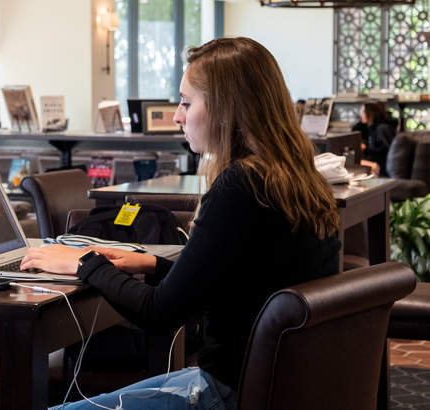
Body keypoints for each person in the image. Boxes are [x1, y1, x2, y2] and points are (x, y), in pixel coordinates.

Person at [20, 37, 341, 410]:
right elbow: (240, 282)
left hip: (229, 391)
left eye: (187, 102)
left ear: (226, 109)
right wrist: (155, 264)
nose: (176, 115)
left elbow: (158, 313)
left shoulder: (241, 186)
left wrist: (84, 262)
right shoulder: (297, 180)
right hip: (281, 384)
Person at [351, 101, 396, 176]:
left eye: (362, 111)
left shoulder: (382, 129)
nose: (360, 115)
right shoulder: (372, 129)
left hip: (384, 169)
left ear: (369, 113)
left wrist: (366, 149)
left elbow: (387, 153)